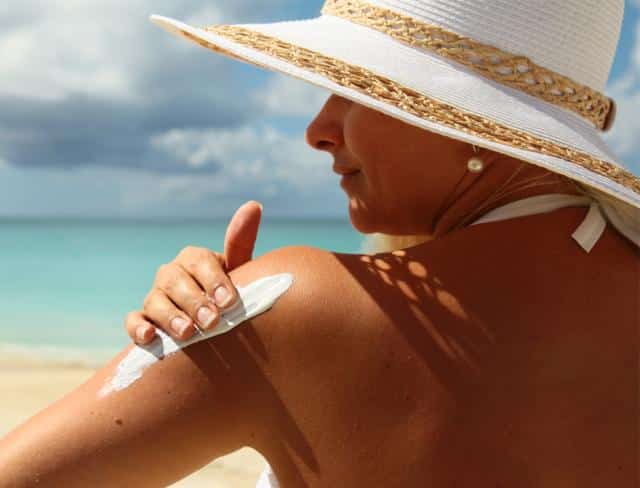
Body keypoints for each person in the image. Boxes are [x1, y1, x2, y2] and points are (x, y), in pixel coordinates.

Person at [1, 0, 639, 486]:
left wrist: (234, 338)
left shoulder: (296, 308)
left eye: (358, 89)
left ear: (473, 125)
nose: (318, 129)